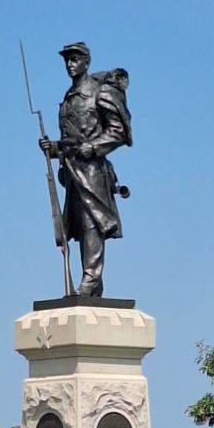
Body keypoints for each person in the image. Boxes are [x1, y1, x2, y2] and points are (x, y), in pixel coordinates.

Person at [39, 42, 132, 297]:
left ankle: (90, 279)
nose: (70, 64)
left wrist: (94, 146)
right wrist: (53, 147)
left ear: (86, 61)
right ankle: (94, 285)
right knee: (79, 227)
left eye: (75, 59)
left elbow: (119, 132)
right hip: (71, 170)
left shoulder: (98, 93)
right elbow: (71, 141)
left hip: (92, 171)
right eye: (67, 60)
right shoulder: (69, 99)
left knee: (93, 223)